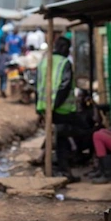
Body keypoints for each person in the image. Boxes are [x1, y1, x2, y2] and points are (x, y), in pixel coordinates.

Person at [36, 35, 78, 180]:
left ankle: (60, 167)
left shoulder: (43, 62)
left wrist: (40, 109)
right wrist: (54, 105)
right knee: (64, 138)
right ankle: (65, 169)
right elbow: (64, 87)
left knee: (57, 137)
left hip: (44, 107)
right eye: (68, 49)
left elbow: (38, 86)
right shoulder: (64, 63)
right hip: (61, 109)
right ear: (64, 48)